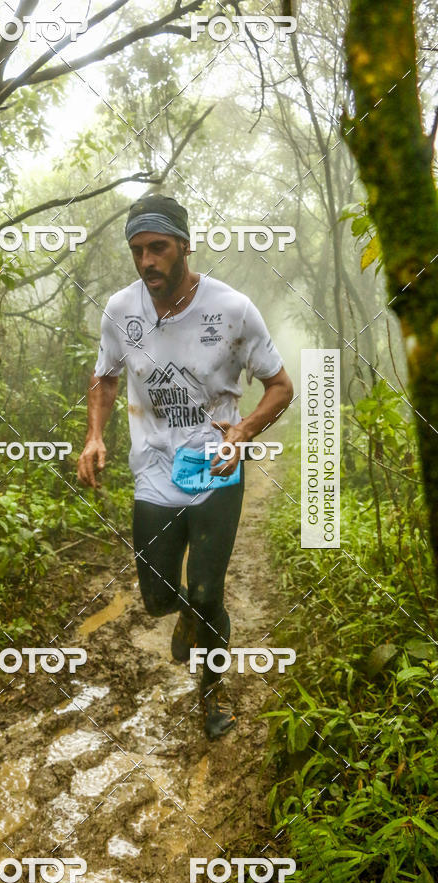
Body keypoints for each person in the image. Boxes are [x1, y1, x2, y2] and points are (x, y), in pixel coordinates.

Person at [77, 195, 293, 739]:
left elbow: (280, 387)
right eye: (137, 251)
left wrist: (243, 432)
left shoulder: (233, 309)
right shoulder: (120, 310)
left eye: (158, 248)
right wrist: (95, 436)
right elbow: (104, 379)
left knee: (206, 592)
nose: (147, 261)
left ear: (185, 246)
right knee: (155, 600)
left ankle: (211, 695)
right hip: (152, 470)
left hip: (214, 467)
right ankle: (186, 615)